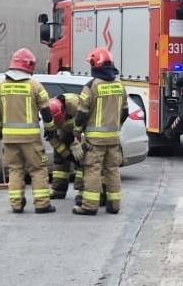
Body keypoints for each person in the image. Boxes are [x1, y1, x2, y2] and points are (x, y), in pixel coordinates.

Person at [0, 47, 55, 214]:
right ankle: (42, 204)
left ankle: (16, 204)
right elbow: (46, 111)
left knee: (15, 170)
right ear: (29, 66)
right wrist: (50, 129)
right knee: (38, 169)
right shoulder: (34, 86)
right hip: (31, 139)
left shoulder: (0, 86)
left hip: (9, 139)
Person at [73, 48, 128, 216]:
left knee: (93, 170)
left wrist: (76, 131)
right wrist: (114, 126)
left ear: (94, 65)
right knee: (112, 170)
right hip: (113, 138)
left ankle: (89, 206)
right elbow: (124, 112)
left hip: (95, 140)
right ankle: (114, 205)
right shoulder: (119, 86)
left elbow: (82, 113)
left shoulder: (91, 86)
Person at [46, 94, 85, 201]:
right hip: (65, 130)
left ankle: (82, 190)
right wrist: (67, 155)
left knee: (81, 158)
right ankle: (58, 190)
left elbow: (83, 123)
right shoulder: (47, 113)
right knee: (59, 159)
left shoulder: (74, 103)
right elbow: (52, 138)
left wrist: (78, 142)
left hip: (78, 129)